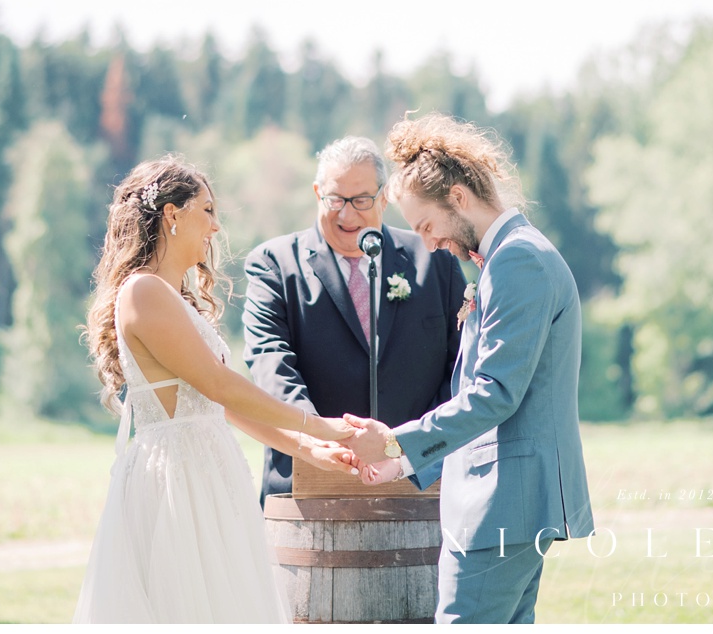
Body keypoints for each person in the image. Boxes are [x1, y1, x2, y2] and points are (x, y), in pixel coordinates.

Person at [73, 156, 364, 624]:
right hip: (179, 482)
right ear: (172, 214)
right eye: (206, 210)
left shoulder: (175, 299)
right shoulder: (143, 292)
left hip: (209, 473)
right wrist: (319, 422)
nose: (215, 225)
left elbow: (217, 406)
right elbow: (218, 384)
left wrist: (308, 448)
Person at [342, 115, 595, 624]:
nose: (429, 243)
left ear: (458, 198)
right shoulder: (504, 258)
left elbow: (495, 394)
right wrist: (407, 464)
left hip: (501, 507)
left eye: (426, 226)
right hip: (505, 504)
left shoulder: (516, 261)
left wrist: (395, 441)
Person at [243, 136, 467, 501]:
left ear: (383, 197)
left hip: (423, 482)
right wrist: (325, 441)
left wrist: (409, 444)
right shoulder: (273, 265)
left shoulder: (435, 259)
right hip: (309, 483)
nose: (347, 215)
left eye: (361, 200)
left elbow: (461, 366)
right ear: (318, 193)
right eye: (335, 200)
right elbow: (270, 365)